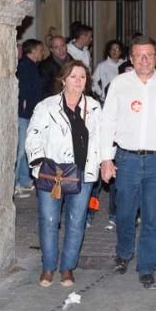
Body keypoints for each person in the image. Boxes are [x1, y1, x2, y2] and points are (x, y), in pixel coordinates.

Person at [99, 38, 156, 289]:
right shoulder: (120, 85)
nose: (144, 60)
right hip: (127, 159)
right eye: (139, 56)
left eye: (149, 55)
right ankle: (123, 252)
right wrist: (105, 158)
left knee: (153, 217)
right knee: (125, 213)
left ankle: (146, 267)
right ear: (131, 59)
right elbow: (107, 122)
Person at [26, 60, 101, 288]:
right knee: (49, 220)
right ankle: (48, 266)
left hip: (82, 172)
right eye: (73, 76)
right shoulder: (46, 106)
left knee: (76, 221)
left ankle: (67, 267)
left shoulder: (94, 107)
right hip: (53, 172)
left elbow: (102, 137)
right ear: (63, 79)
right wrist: (39, 161)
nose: (78, 81)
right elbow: (33, 135)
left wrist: (104, 161)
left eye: (82, 77)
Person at [16, 39, 45, 197]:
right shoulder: (25, 66)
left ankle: (24, 180)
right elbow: (24, 89)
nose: (42, 53)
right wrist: (25, 107)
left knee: (27, 148)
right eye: (40, 50)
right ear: (32, 51)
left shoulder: (32, 66)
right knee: (20, 149)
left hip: (30, 112)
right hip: (24, 113)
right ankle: (16, 183)